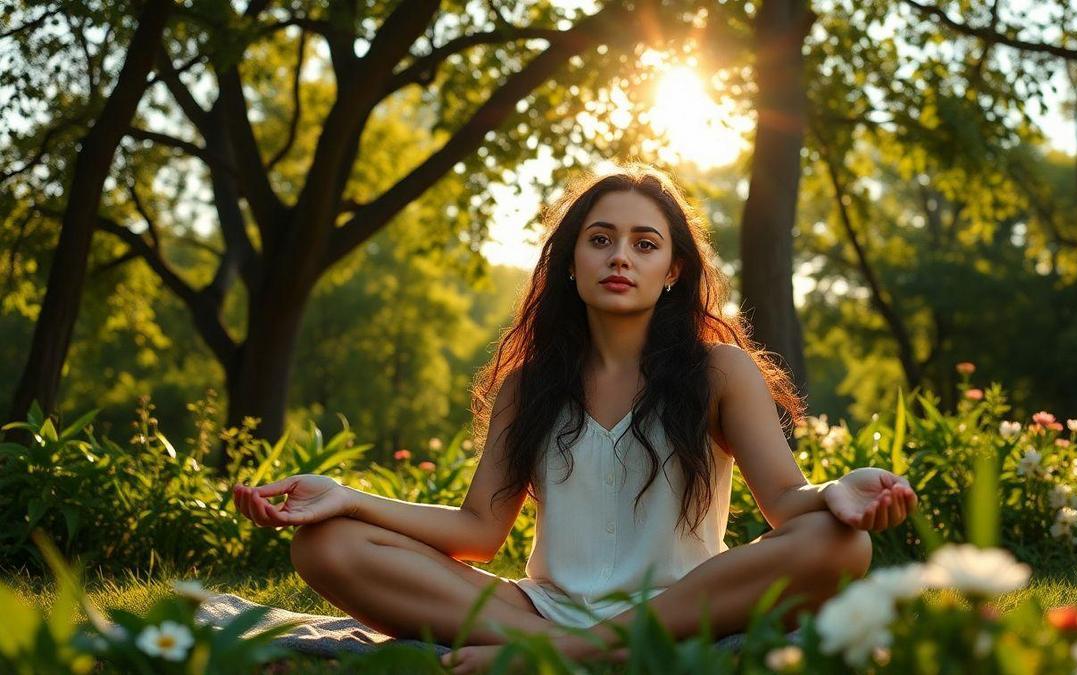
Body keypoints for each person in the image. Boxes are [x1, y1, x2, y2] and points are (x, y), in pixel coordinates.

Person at [232, 163, 918, 674]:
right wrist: (347, 499)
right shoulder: (528, 384)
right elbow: (476, 531)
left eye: (644, 243)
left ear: (674, 269)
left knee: (840, 545)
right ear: (571, 262)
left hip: (682, 607)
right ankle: (562, 646)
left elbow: (789, 507)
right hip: (540, 609)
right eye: (601, 239)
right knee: (323, 544)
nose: (621, 255)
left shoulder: (719, 370)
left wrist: (838, 492)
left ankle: (566, 655)